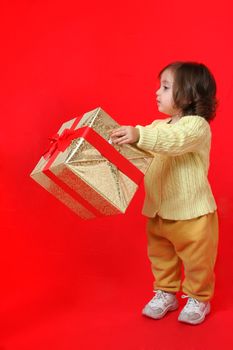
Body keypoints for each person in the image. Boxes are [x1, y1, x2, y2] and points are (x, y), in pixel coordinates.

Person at [110, 61, 219, 325]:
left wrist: (138, 134)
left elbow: (174, 141)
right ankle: (166, 292)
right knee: (160, 256)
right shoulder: (158, 126)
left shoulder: (196, 126)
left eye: (166, 87)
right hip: (159, 210)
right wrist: (119, 141)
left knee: (197, 260)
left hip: (192, 212)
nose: (157, 92)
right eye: (160, 86)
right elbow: (145, 148)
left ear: (190, 94)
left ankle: (198, 297)